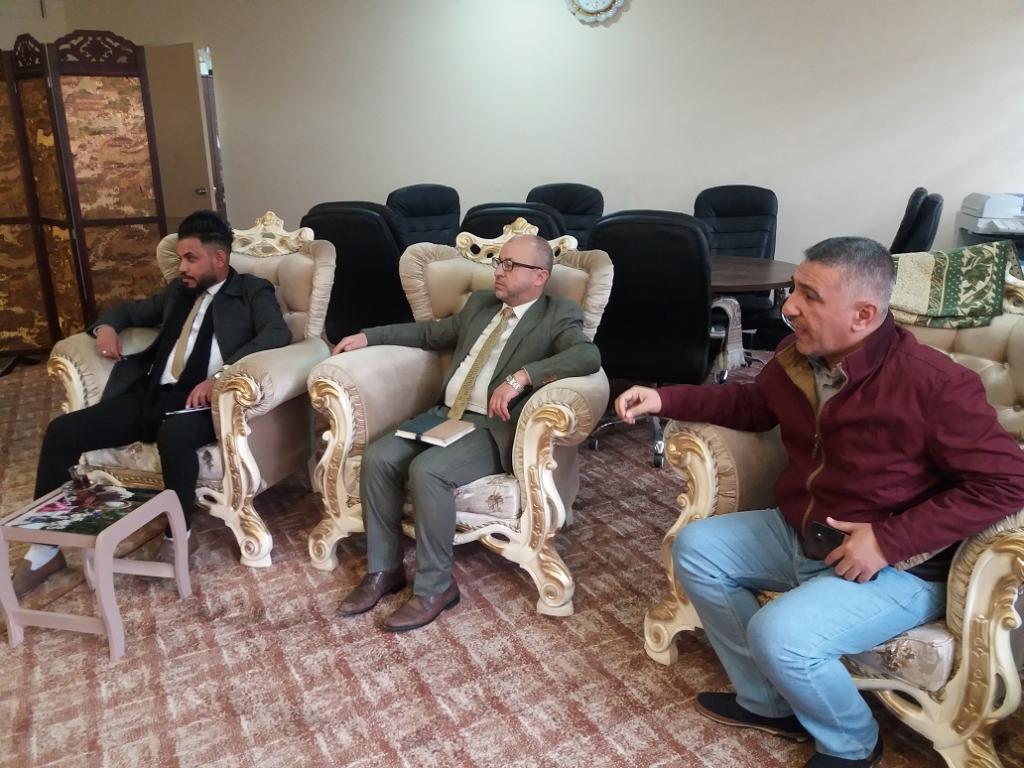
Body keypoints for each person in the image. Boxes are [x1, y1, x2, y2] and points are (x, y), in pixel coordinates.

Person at [615, 236, 1024, 768]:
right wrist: (665, 397)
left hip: (898, 567)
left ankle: (852, 745)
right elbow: (752, 404)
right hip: (801, 530)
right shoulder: (798, 358)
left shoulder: (935, 384)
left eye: (809, 296)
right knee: (695, 548)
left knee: (780, 634)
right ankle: (770, 702)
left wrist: (888, 539)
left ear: (863, 315)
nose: (788, 307)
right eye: (793, 290)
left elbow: (1008, 481)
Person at [13, 210, 291, 598]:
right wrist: (106, 328)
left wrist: (221, 377)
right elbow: (129, 310)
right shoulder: (179, 292)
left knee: (174, 435)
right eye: (180, 258)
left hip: (203, 403)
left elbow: (276, 334)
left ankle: (180, 535)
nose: (182, 267)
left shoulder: (251, 291)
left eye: (191, 258)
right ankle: (45, 549)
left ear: (219, 258)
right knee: (62, 432)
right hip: (151, 394)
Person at [333, 234, 600, 631]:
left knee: (429, 470)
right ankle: (384, 570)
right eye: (499, 262)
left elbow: (587, 355)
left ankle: (435, 587)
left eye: (510, 265)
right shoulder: (480, 305)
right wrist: (369, 336)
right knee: (378, 458)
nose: (499, 271)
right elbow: (430, 334)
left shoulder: (557, 314)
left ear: (540, 276)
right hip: (445, 414)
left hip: (491, 427)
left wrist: (524, 376)